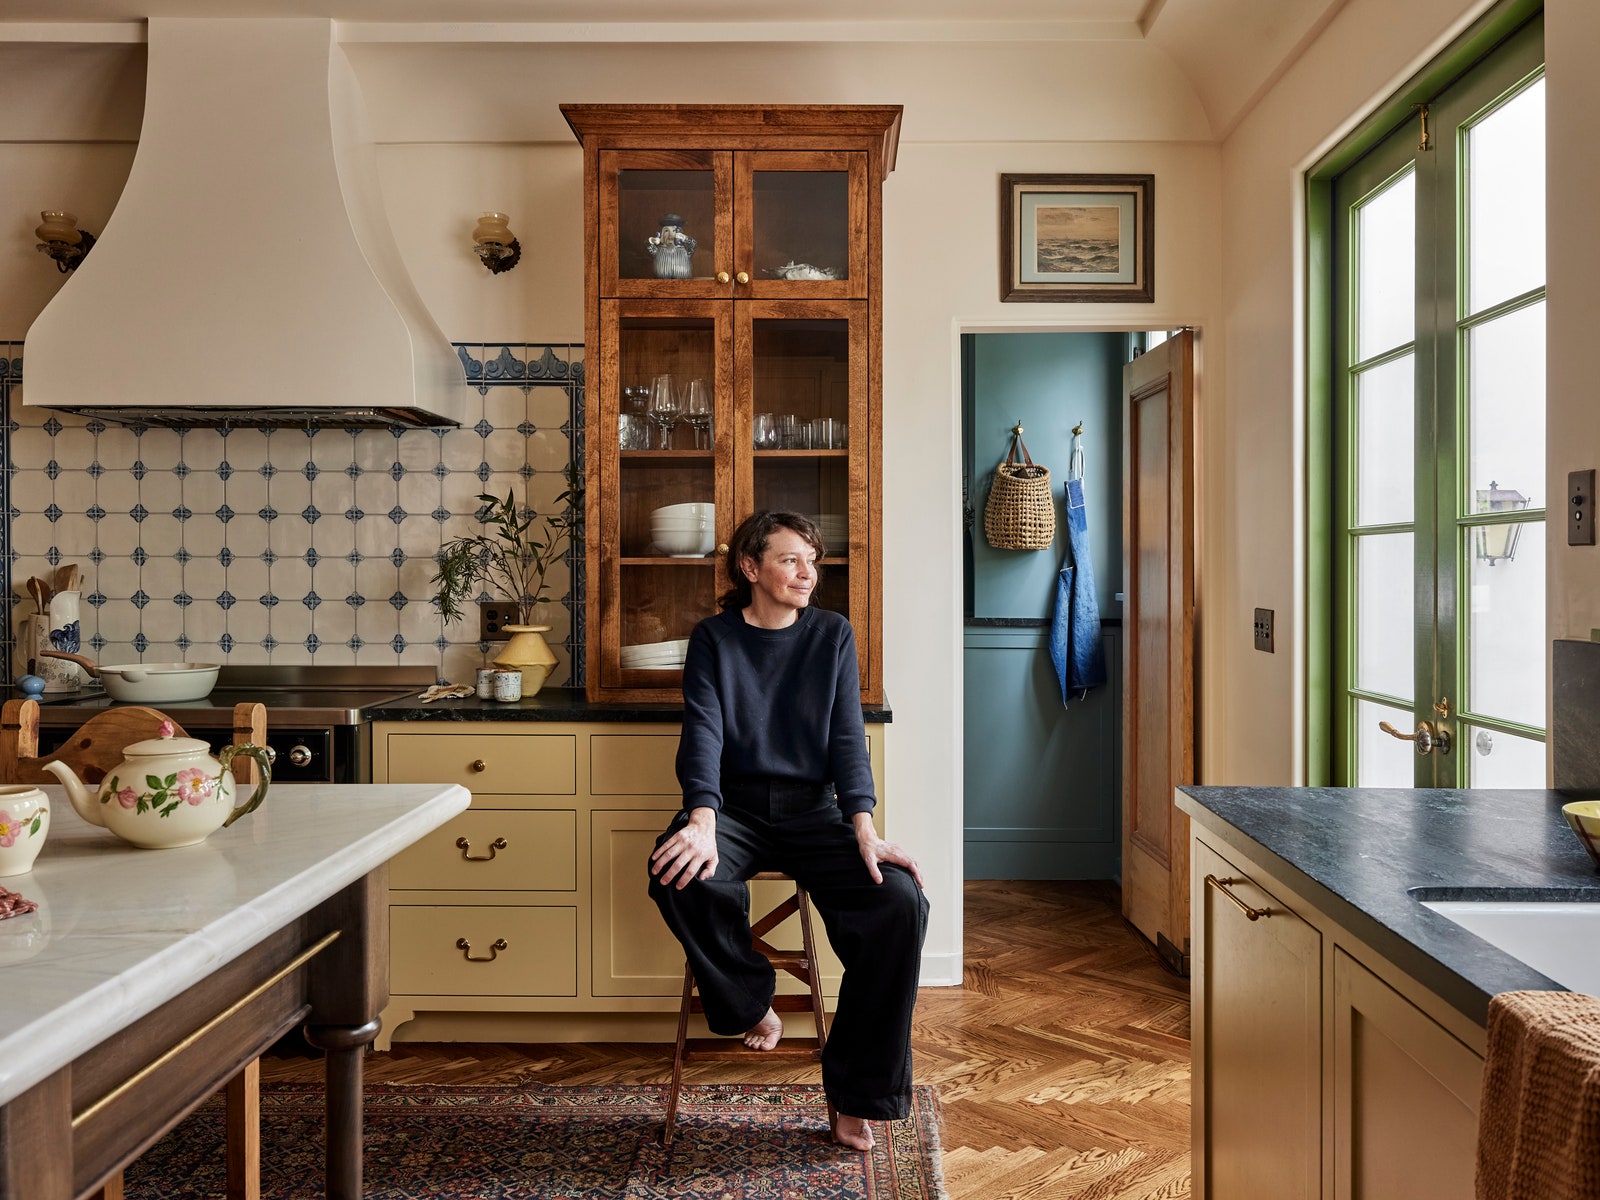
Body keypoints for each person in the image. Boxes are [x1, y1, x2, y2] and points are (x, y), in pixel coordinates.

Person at [648, 510, 929, 1151]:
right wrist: (700, 821)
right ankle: (751, 1001)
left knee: (898, 903)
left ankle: (856, 1096)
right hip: (734, 809)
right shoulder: (714, 639)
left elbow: (846, 740)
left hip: (813, 810)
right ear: (751, 569)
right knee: (677, 871)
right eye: (790, 560)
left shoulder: (831, 635)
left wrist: (865, 827)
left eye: (812, 561)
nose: (808, 574)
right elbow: (704, 736)